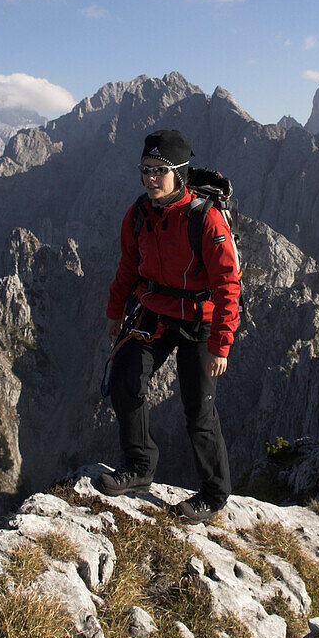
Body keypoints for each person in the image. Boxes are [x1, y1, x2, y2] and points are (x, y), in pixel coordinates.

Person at [96, 128, 240, 523]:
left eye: (159, 170)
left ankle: (214, 493)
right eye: (145, 170)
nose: (150, 179)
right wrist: (114, 312)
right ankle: (140, 466)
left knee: (199, 409)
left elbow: (228, 283)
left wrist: (221, 344)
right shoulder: (139, 215)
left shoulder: (206, 219)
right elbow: (128, 266)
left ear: (179, 172)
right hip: (155, 311)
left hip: (199, 320)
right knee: (126, 377)